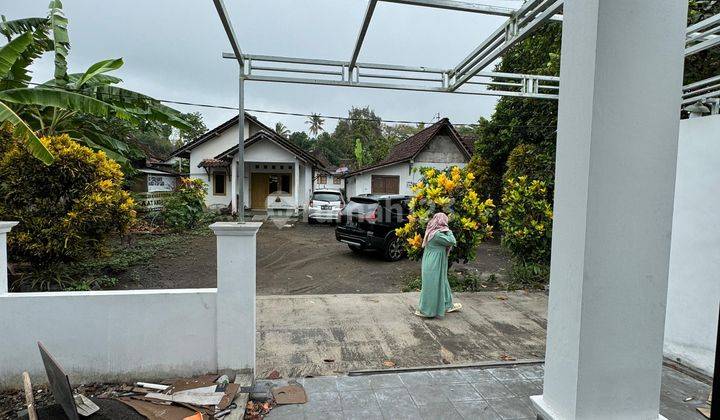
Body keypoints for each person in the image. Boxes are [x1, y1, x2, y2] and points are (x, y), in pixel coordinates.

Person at [415, 212, 462, 318]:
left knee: (442, 281)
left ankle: (447, 305)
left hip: (433, 260)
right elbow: (452, 241)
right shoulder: (437, 234)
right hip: (434, 262)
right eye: (445, 221)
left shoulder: (431, 230)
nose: (446, 224)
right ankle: (427, 311)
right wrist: (448, 231)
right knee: (432, 284)